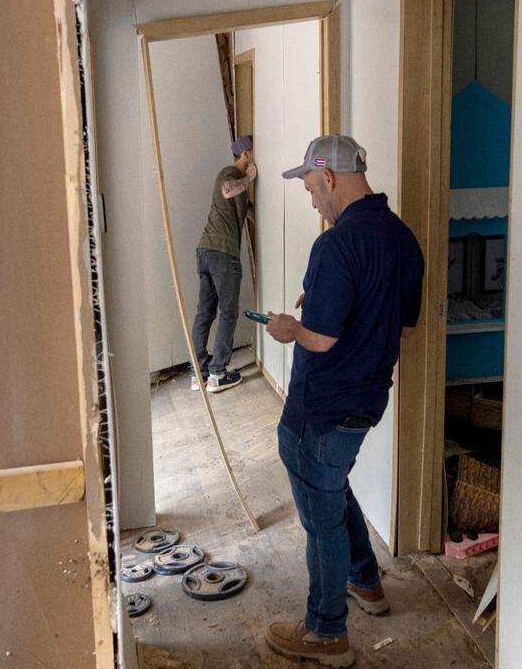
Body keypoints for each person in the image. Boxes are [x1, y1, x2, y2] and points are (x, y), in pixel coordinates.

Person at [263, 135, 424, 667]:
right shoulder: (403, 240)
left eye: (311, 188)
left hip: (322, 406)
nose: (312, 200)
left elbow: (323, 339)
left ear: (329, 177)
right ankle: (366, 582)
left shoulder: (335, 245)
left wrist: (290, 328)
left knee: (320, 517)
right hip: (366, 401)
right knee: (331, 488)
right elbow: (397, 324)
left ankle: (326, 631)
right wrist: (327, 304)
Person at [191, 134, 257, 393]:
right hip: (222, 253)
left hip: (206, 249)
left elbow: (246, 209)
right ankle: (218, 373)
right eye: (253, 153)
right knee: (228, 312)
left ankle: (199, 373)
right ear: (246, 155)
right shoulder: (229, 173)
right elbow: (228, 189)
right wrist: (250, 178)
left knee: (205, 310)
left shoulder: (237, 183)